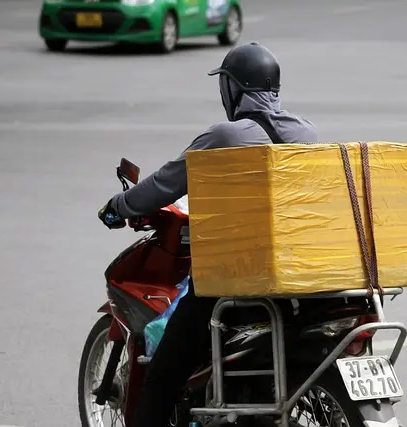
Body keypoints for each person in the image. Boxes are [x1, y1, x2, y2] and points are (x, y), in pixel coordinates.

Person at [97, 41, 319, 427]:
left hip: (236, 281)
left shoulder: (224, 136)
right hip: (302, 279)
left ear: (232, 89)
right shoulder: (308, 134)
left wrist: (119, 205)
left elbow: (164, 184)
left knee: (163, 372)